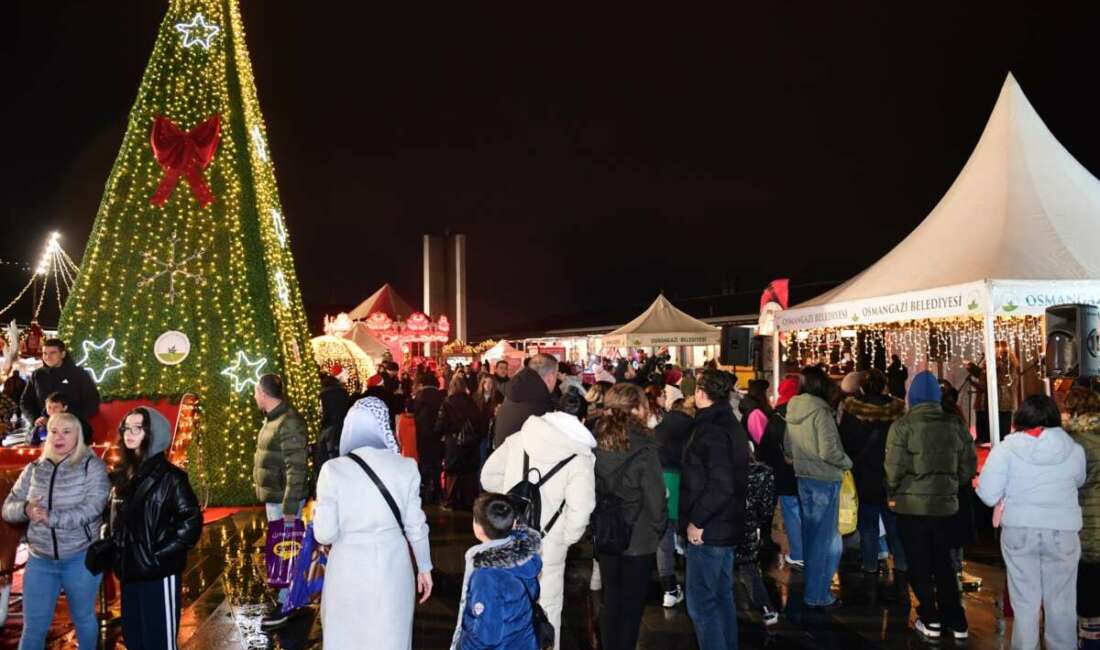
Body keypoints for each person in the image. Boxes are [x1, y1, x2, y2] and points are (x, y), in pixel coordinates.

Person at [481, 387, 595, 649]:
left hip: (509, 537)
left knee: (508, 606)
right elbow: (582, 508)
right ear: (584, 420)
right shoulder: (580, 456)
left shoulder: (521, 438)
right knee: (547, 611)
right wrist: (566, 538)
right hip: (548, 546)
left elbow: (488, 477)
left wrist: (510, 502)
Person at [314, 397, 433, 650]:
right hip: (394, 566)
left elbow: (324, 534)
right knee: (390, 636)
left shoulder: (332, 470)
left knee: (347, 638)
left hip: (348, 568)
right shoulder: (406, 467)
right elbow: (416, 526)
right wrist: (424, 567)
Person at [977, 394, 1085, 650]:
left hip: (1019, 530)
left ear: (1020, 418)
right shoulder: (1073, 449)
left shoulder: (1006, 450)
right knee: (1062, 604)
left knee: (1025, 603)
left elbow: (987, 493)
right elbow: (1078, 481)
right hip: (1063, 531)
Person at [2, 412, 109, 648]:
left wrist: (53, 518)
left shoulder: (91, 466)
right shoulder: (34, 468)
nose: (58, 437)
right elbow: (8, 508)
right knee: (33, 628)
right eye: (53, 431)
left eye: (66, 431)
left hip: (79, 558)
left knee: (83, 619)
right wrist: (26, 509)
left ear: (77, 435)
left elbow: (93, 508)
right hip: (40, 560)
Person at [886, 371, 975, 640]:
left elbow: (893, 469)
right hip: (946, 506)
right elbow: (968, 465)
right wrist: (949, 484)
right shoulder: (955, 424)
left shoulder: (902, 426)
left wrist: (894, 492)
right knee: (944, 564)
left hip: (911, 507)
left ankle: (930, 617)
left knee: (919, 563)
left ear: (912, 397)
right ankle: (956, 620)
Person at [109, 407, 203, 649]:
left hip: (157, 573)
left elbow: (190, 522)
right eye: (126, 428)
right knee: (134, 637)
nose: (129, 433)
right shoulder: (124, 475)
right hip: (129, 571)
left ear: (153, 433)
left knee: (159, 640)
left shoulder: (171, 477)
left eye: (137, 428)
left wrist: (157, 555)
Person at [593, 383, 667, 650]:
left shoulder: (595, 442)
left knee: (611, 599)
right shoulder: (645, 448)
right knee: (632, 606)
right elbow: (656, 497)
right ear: (636, 409)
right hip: (640, 536)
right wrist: (659, 528)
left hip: (607, 533)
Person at [680, 369, 749, 649]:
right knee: (721, 597)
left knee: (702, 604)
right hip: (725, 523)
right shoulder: (728, 422)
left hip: (711, 527)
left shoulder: (712, 428)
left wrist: (697, 520)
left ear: (701, 392)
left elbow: (721, 484)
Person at [784, 366, 851, 608]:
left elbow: (788, 450)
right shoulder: (821, 413)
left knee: (812, 536)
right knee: (827, 540)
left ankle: (814, 591)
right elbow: (829, 451)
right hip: (825, 478)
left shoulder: (793, 408)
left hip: (803, 477)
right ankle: (817, 594)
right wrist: (847, 462)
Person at [251, 373, 309, 629]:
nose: (254, 397)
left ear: (263, 394)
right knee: (283, 551)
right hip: (276, 497)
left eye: (255, 392)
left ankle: (287, 603)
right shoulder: (274, 419)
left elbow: (296, 468)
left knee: (285, 552)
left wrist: (288, 506)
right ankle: (290, 599)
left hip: (283, 501)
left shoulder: (288, 422)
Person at [451, 493, 542, 650]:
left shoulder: (486, 577)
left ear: (478, 528)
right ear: (514, 524)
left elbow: (486, 636)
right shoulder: (525, 557)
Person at [838, 369, 906, 575]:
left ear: (861, 387)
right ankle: (902, 564)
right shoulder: (898, 411)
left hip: (864, 475)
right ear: (885, 386)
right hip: (891, 477)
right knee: (894, 524)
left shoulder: (851, 411)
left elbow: (846, 443)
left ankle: (869, 565)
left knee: (868, 525)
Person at [654, 396, 694, 607]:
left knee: (664, 538)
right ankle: (692, 586)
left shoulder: (658, 429)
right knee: (688, 534)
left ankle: (669, 589)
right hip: (684, 482)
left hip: (662, 482)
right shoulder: (693, 430)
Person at [760, 377, 802, 569]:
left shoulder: (776, 419)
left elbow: (765, 451)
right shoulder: (806, 414)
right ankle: (807, 550)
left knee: (792, 515)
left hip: (783, 476)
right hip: (805, 473)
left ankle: (798, 553)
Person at [735, 451, 778, 626]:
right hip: (749, 526)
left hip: (721, 525)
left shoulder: (723, 470)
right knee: (748, 568)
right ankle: (766, 608)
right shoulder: (762, 475)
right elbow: (766, 509)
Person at [20, 338, 100, 427]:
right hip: (44, 430)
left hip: (73, 428)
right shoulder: (38, 375)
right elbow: (25, 401)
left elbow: (92, 401)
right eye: (45, 353)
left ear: (63, 354)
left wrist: (71, 419)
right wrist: (35, 419)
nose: (47, 357)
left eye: (53, 353)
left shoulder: (79, 373)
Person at [492, 353, 557, 448]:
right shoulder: (542, 404)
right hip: (523, 460)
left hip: (504, 459)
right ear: (550, 378)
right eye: (556, 375)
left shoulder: (512, 391)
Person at [439, 374, 483, 510]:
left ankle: (450, 501)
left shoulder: (447, 402)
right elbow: (479, 423)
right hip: (470, 443)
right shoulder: (471, 402)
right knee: (469, 474)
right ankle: (468, 501)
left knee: (452, 473)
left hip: (453, 443)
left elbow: (440, 424)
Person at [408, 372, 445, 503]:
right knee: (436, 464)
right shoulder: (441, 396)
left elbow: (411, 411)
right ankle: (437, 490)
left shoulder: (419, 396)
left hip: (422, 436)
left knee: (424, 463)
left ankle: (423, 490)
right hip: (437, 435)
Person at [313, 372, 351, 486]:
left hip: (328, 426)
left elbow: (323, 413)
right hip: (341, 427)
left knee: (325, 457)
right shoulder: (343, 392)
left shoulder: (323, 393)